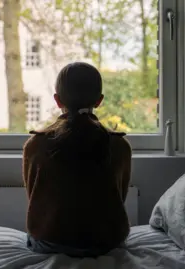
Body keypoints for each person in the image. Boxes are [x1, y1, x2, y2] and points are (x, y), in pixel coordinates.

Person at [23, 62, 132, 258]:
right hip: (106, 243)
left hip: (50, 242)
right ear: (99, 101)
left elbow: (34, 198)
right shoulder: (120, 146)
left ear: (57, 100)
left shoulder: (35, 145)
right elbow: (119, 198)